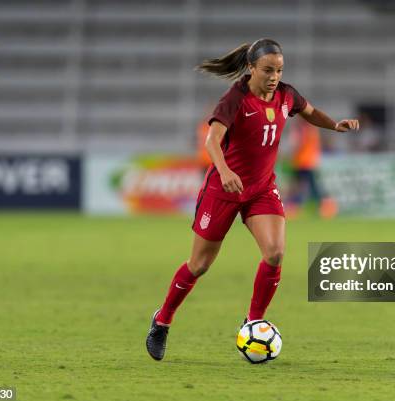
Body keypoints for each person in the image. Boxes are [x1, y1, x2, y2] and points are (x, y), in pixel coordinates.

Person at [146, 38, 359, 361]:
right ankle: (162, 321)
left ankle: (255, 320)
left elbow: (310, 112)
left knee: (275, 254)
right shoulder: (235, 99)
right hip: (224, 190)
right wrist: (225, 171)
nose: (274, 76)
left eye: (279, 70)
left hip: (261, 189)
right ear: (251, 68)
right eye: (268, 70)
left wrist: (334, 125)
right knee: (200, 265)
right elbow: (212, 141)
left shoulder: (287, 95)